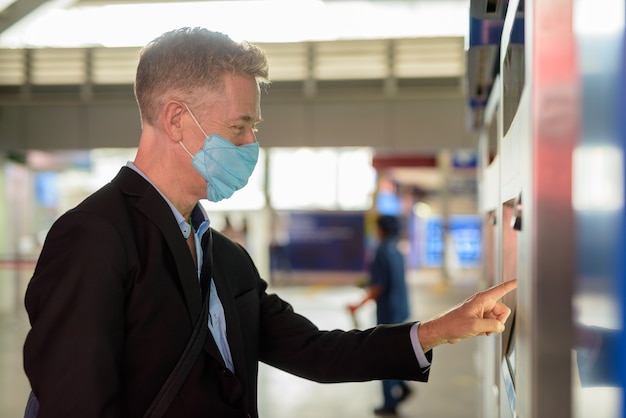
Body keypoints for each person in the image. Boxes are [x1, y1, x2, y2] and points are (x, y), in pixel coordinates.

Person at [22, 27, 517, 418]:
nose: (249, 145)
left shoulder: (226, 259)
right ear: (176, 120)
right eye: (239, 127)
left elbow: (315, 352)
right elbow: (74, 404)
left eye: (252, 129)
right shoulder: (93, 238)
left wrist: (438, 330)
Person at [348, 214, 412, 415]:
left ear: (381, 229)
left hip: (388, 312)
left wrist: (357, 305)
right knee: (394, 351)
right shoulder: (397, 249)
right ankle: (401, 383)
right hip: (401, 309)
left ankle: (389, 404)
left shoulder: (381, 251)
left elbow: (378, 286)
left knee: (383, 357)